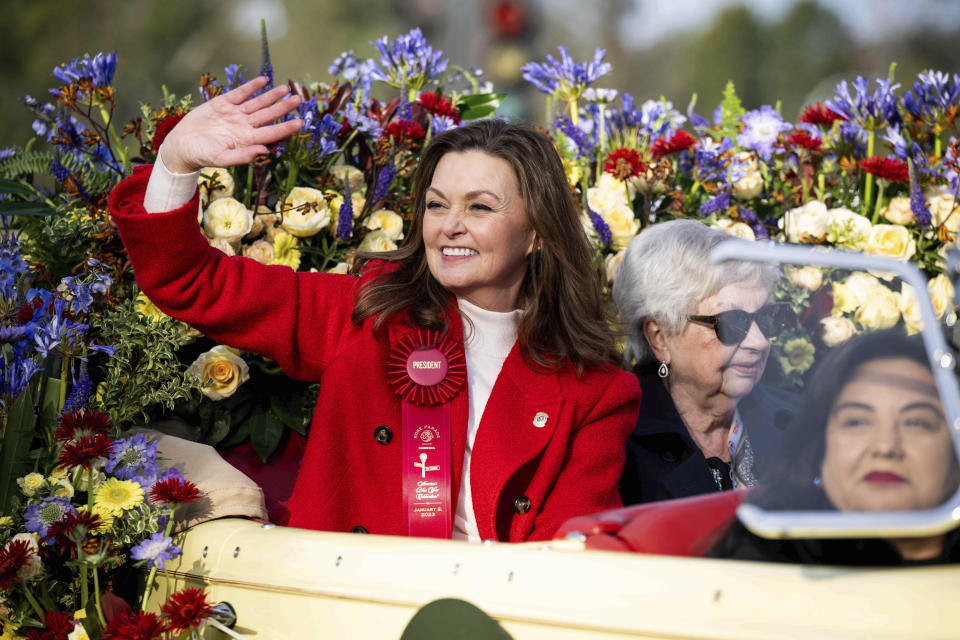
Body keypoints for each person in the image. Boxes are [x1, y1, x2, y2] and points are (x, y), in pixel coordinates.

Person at [108, 77, 640, 542]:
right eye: (436, 204)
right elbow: (191, 282)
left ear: (538, 234)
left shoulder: (596, 390)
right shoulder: (366, 314)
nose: (449, 224)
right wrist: (176, 161)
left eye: (479, 206)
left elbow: (570, 556)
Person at [711, 330, 960, 565]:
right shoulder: (754, 571)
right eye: (857, 422)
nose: (885, 447)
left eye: (915, 423)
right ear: (820, 449)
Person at [612, 220, 795, 504]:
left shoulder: (800, 420)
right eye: (732, 323)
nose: (759, 342)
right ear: (660, 337)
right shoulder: (616, 440)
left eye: (767, 317)